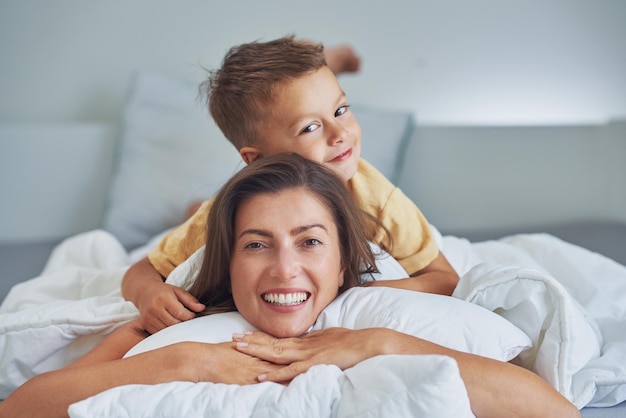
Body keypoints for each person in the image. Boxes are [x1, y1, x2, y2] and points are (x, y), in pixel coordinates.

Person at [0, 154, 579, 418]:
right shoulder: (181, 321)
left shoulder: (381, 312)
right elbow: (23, 408)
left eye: (309, 241)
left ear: (344, 254)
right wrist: (185, 364)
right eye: (255, 244)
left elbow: (556, 413)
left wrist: (378, 344)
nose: (283, 270)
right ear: (227, 261)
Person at [122, 35, 460, 335]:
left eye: (341, 110)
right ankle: (192, 209)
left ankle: (333, 60)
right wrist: (148, 293)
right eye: (310, 128)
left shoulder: (378, 201)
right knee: (197, 215)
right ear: (256, 160)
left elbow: (444, 279)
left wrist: (354, 296)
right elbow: (145, 269)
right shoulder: (234, 209)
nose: (341, 135)